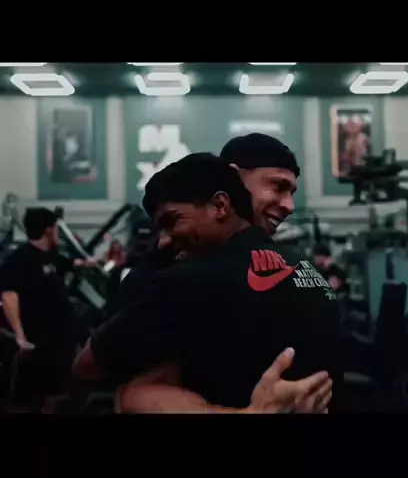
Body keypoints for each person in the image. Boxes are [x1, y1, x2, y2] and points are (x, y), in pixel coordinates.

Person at [73, 154, 343, 413]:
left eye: (171, 221)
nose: (163, 241)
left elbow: (87, 366)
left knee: (132, 395)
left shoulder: (187, 282)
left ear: (220, 206)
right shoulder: (309, 271)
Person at [0, 207, 95, 410]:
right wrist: (20, 337)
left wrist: (93, 263)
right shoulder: (20, 259)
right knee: (47, 394)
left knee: (68, 388)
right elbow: (9, 296)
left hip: (62, 336)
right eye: (57, 229)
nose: (58, 234)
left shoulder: (51, 257)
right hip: (42, 340)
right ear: (49, 230)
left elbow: (73, 263)